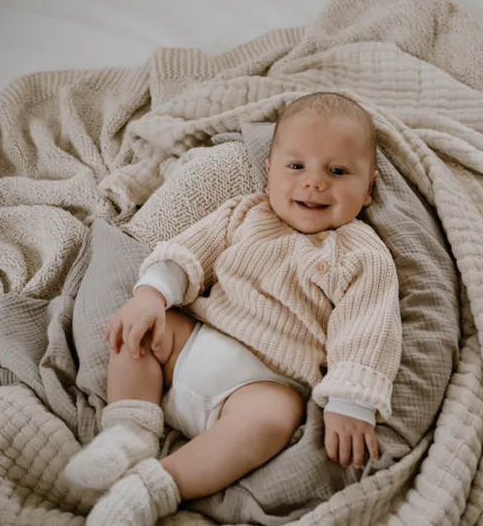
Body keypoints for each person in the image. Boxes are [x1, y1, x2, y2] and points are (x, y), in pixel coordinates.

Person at [62, 92, 402, 524]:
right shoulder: (244, 214)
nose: (314, 182)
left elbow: (368, 328)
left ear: (368, 188)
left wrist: (350, 403)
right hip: (196, 340)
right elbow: (188, 253)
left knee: (275, 418)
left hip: (263, 382)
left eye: (337, 171)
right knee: (141, 328)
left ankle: (154, 487)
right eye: (296, 166)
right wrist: (151, 295)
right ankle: (129, 431)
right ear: (269, 173)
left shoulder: (362, 254)